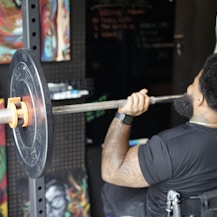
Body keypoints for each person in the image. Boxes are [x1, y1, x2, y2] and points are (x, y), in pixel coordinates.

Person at [101, 53, 217, 217]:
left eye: (193, 83)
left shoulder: (172, 146)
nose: (188, 88)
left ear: (200, 99)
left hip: (158, 212)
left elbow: (111, 171)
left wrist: (124, 115)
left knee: (112, 188)